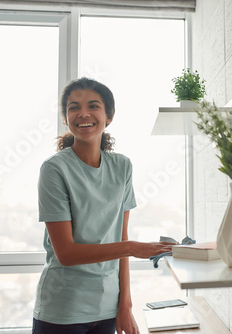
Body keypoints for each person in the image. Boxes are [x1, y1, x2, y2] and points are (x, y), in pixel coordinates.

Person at [32, 77, 173, 334]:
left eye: (93, 106)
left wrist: (125, 306)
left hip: (109, 309)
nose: (83, 113)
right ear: (65, 117)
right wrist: (131, 248)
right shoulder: (54, 169)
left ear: (108, 116)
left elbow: (121, 233)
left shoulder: (122, 167)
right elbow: (66, 253)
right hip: (63, 311)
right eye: (73, 107)